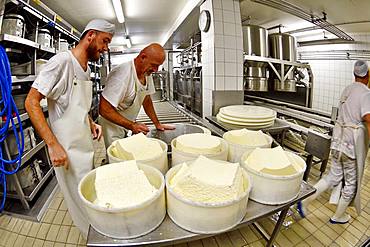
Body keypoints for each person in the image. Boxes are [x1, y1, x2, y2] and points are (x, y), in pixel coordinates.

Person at [25, 19, 115, 237]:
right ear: (90, 35)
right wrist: (52, 144)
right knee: (80, 202)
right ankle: (92, 238)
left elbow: (75, 106)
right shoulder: (61, 62)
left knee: (88, 195)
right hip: (67, 151)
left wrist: (90, 123)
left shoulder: (84, 68)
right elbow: (31, 102)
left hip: (84, 145)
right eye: (105, 41)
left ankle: (98, 232)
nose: (106, 48)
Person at [298, 60, 370, 224]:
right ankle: (338, 216)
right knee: (351, 183)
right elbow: (368, 118)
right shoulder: (366, 93)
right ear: (368, 75)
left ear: (354, 74)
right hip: (351, 145)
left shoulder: (347, 90)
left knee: (332, 176)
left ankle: (305, 201)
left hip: (338, 142)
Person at [99, 43, 175, 147]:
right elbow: (104, 109)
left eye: (158, 66)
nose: (156, 70)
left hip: (128, 123)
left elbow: (146, 99)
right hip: (113, 126)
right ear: (143, 57)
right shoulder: (122, 75)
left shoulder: (146, 73)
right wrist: (132, 125)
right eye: (154, 65)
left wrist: (157, 123)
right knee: (119, 157)